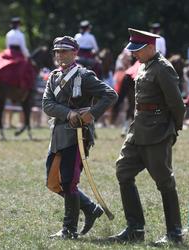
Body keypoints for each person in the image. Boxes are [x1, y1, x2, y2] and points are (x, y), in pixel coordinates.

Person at [109, 28, 185, 246]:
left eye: (138, 50)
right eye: (133, 50)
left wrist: (174, 129)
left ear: (152, 47)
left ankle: (174, 233)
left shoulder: (163, 68)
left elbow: (177, 104)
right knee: (123, 171)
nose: (134, 54)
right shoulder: (144, 65)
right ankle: (135, 228)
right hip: (138, 130)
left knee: (164, 182)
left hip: (157, 132)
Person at [42, 36, 118, 239]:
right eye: (57, 51)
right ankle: (90, 208)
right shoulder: (53, 76)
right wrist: (68, 113)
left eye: (64, 51)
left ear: (75, 53)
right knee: (52, 180)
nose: (60, 55)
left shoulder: (84, 76)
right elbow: (46, 105)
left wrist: (91, 114)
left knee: (68, 181)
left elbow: (110, 95)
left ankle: (69, 229)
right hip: (58, 134)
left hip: (78, 136)